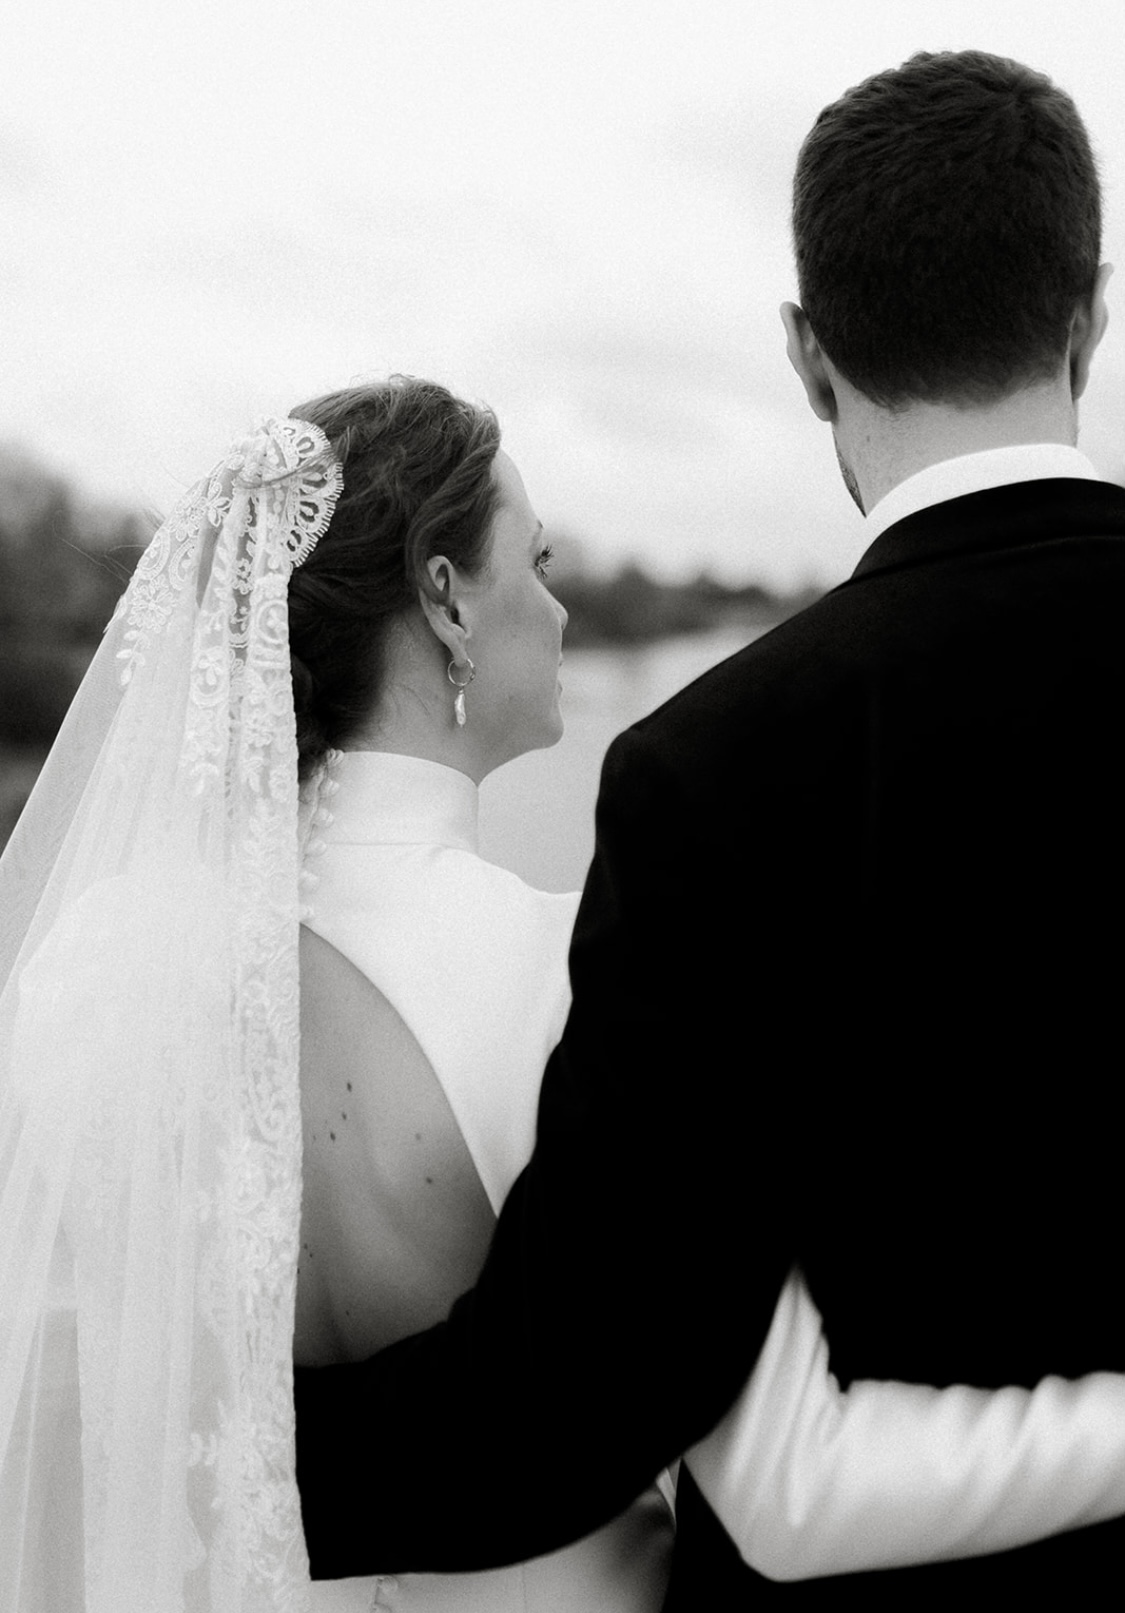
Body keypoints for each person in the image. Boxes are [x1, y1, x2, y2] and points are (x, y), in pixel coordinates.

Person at [2, 376, 1122, 1613]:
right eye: (533, 558)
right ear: (446, 600)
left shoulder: (91, 970)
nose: (562, 598)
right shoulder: (576, 969)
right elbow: (787, 1474)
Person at [293, 49, 1125, 1603]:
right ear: (1090, 308)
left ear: (808, 356)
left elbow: (593, 1386)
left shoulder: (718, 770)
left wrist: (194, 1461)